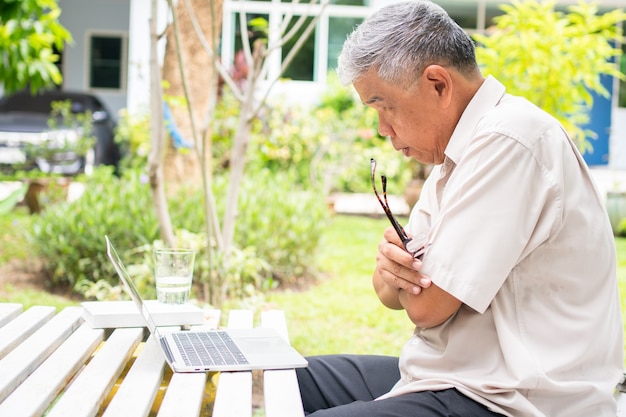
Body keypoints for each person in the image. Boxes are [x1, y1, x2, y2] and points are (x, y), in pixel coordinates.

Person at [295, 1, 624, 416]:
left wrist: (404, 275)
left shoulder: (510, 139)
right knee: (286, 377)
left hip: (518, 400)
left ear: (437, 84)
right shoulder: (456, 155)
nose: (382, 129)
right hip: (455, 376)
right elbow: (386, 290)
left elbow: (426, 307)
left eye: (385, 106)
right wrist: (396, 272)